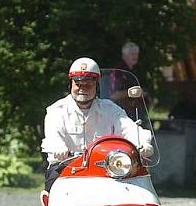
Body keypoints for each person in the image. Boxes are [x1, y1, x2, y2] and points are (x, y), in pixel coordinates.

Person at [41, 57, 153, 192]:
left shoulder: (110, 109)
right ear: (71, 84)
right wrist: (59, 148)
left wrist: (142, 143)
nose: (82, 89)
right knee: (54, 194)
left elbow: (129, 128)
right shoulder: (56, 111)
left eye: (88, 85)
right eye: (78, 84)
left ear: (96, 86)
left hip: (105, 169)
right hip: (67, 169)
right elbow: (53, 137)